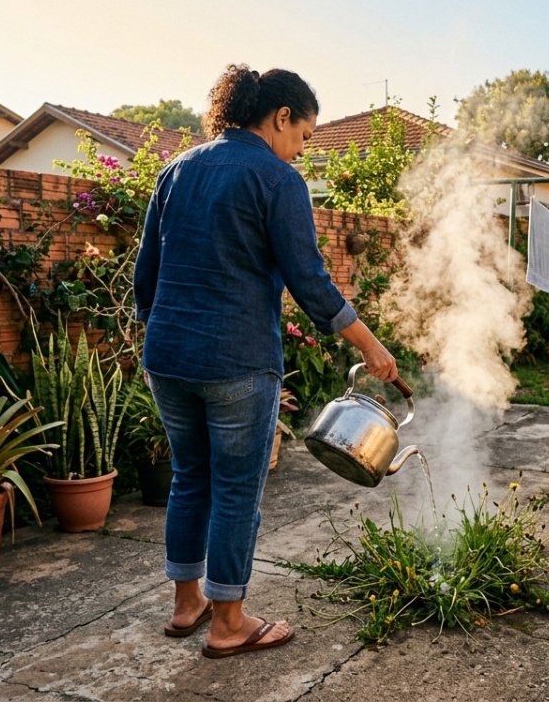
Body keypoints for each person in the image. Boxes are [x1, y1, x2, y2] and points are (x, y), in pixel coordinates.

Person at [133, 64, 398, 659]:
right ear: (280, 117)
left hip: (168, 357)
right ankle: (228, 622)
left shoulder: (176, 170)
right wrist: (371, 346)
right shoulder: (277, 180)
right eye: (303, 136)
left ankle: (186, 605)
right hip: (237, 360)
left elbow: (145, 276)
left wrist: (167, 335)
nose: (301, 152)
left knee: (188, 477)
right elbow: (310, 281)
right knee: (235, 490)